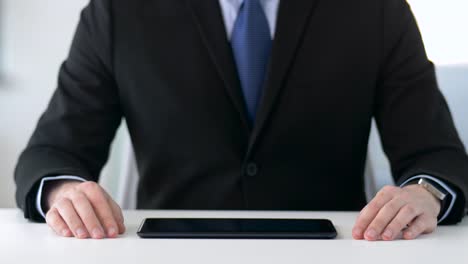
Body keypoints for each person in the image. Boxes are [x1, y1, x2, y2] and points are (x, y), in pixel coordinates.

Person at [15, 0, 468, 241]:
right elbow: (53, 151)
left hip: (334, 252)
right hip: (170, 253)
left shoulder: (376, 10)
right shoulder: (119, 11)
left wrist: (425, 194)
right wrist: (65, 190)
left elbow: (438, 155)